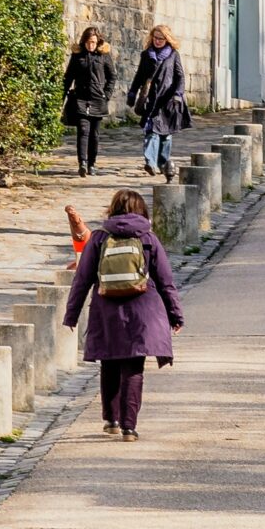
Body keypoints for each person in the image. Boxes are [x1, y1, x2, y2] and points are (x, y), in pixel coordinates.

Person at [62, 185, 184, 439]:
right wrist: (175, 314)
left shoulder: (98, 237)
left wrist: (71, 314)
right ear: (142, 210)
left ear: (113, 209)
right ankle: (129, 426)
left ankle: (111, 419)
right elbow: (165, 281)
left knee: (109, 363)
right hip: (143, 311)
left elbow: (82, 279)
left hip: (106, 310)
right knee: (133, 367)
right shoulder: (148, 238)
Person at [127, 23, 191, 177]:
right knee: (151, 132)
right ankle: (150, 162)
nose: (157, 41)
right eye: (155, 38)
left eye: (161, 39)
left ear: (167, 39)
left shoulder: (173, 55)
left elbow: (180, 76)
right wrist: (132, 92)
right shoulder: (146, 55)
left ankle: (163, 162)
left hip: (168, 100)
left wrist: (178, 93)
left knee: (166, 135)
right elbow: (139, 76)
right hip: (151, 100)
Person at [62, 27, 116, 177]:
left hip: (98, 100)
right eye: (88, 42)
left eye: (93, 42)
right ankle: (83, 163)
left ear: (97, 42)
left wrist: (106, 94)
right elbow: (69, 77)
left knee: (94, 134)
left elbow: (112, 76)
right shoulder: (77, 56)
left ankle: (92, 163)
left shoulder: (104, 56)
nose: (90, 45)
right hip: (81, 99)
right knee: (83, 131)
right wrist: (62, 95)